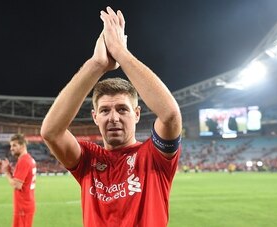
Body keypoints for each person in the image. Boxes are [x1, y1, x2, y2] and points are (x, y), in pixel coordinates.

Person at [41, 6, 182, 227]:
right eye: (105, 111)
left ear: (136, 114)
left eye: (122, 109)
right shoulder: (87, 159)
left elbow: (170, 116)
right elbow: (50, 132)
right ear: (95, 117)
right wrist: (96, 64)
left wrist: (120, 52)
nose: (113, 117)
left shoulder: (155, 156)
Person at [0, 134, 37, 227]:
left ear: (22, 146)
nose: (11, 148)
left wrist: (6, 172)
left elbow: (16, 185)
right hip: (26, 205)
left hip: (23, 207)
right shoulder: (28, 159)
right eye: (11, 145)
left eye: (14, 145)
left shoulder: (23, 161)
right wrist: (8, 169)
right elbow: (20, 179)